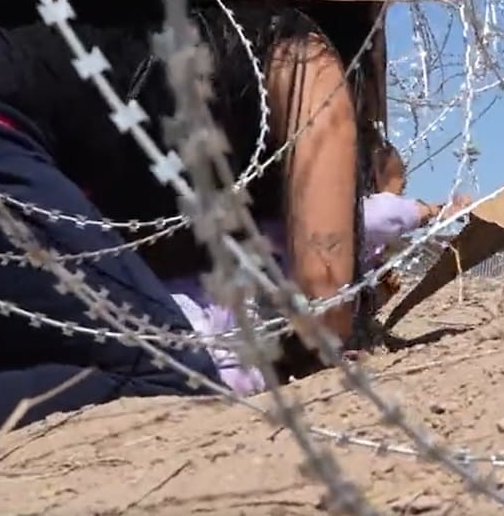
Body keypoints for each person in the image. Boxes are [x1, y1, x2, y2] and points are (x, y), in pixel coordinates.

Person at [0, 0, 364, 481]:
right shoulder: (306, 56)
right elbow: (325, 304)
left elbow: (122, 271)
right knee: (164, 369)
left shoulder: (172, 39)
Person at [169, 139, 473, 390]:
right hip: (204, 317)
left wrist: (376, 298)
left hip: (237, 341)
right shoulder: (339, 219)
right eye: (398, 190)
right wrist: (434, 210)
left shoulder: (348, 250)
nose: (400, 199)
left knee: (241, 382)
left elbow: (329, 307)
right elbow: (379, 215)